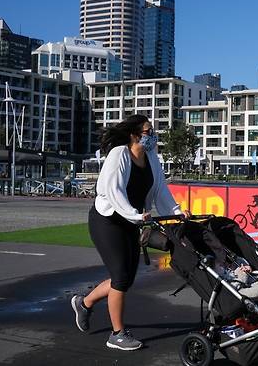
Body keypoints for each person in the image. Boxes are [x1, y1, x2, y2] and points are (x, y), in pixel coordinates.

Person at [70, 115, 190, 351]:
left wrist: (176, 212)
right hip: (107, 220)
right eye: (148, 131)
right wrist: (134, 214)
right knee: (121, 277)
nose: (152, 135)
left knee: (125, 277)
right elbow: (113, 191)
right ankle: (117, 334)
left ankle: (84, 303)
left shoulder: (152, 159)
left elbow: (160, 190)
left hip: (131, 221)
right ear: (135, 134)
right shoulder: (119, 154)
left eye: (152, 131)